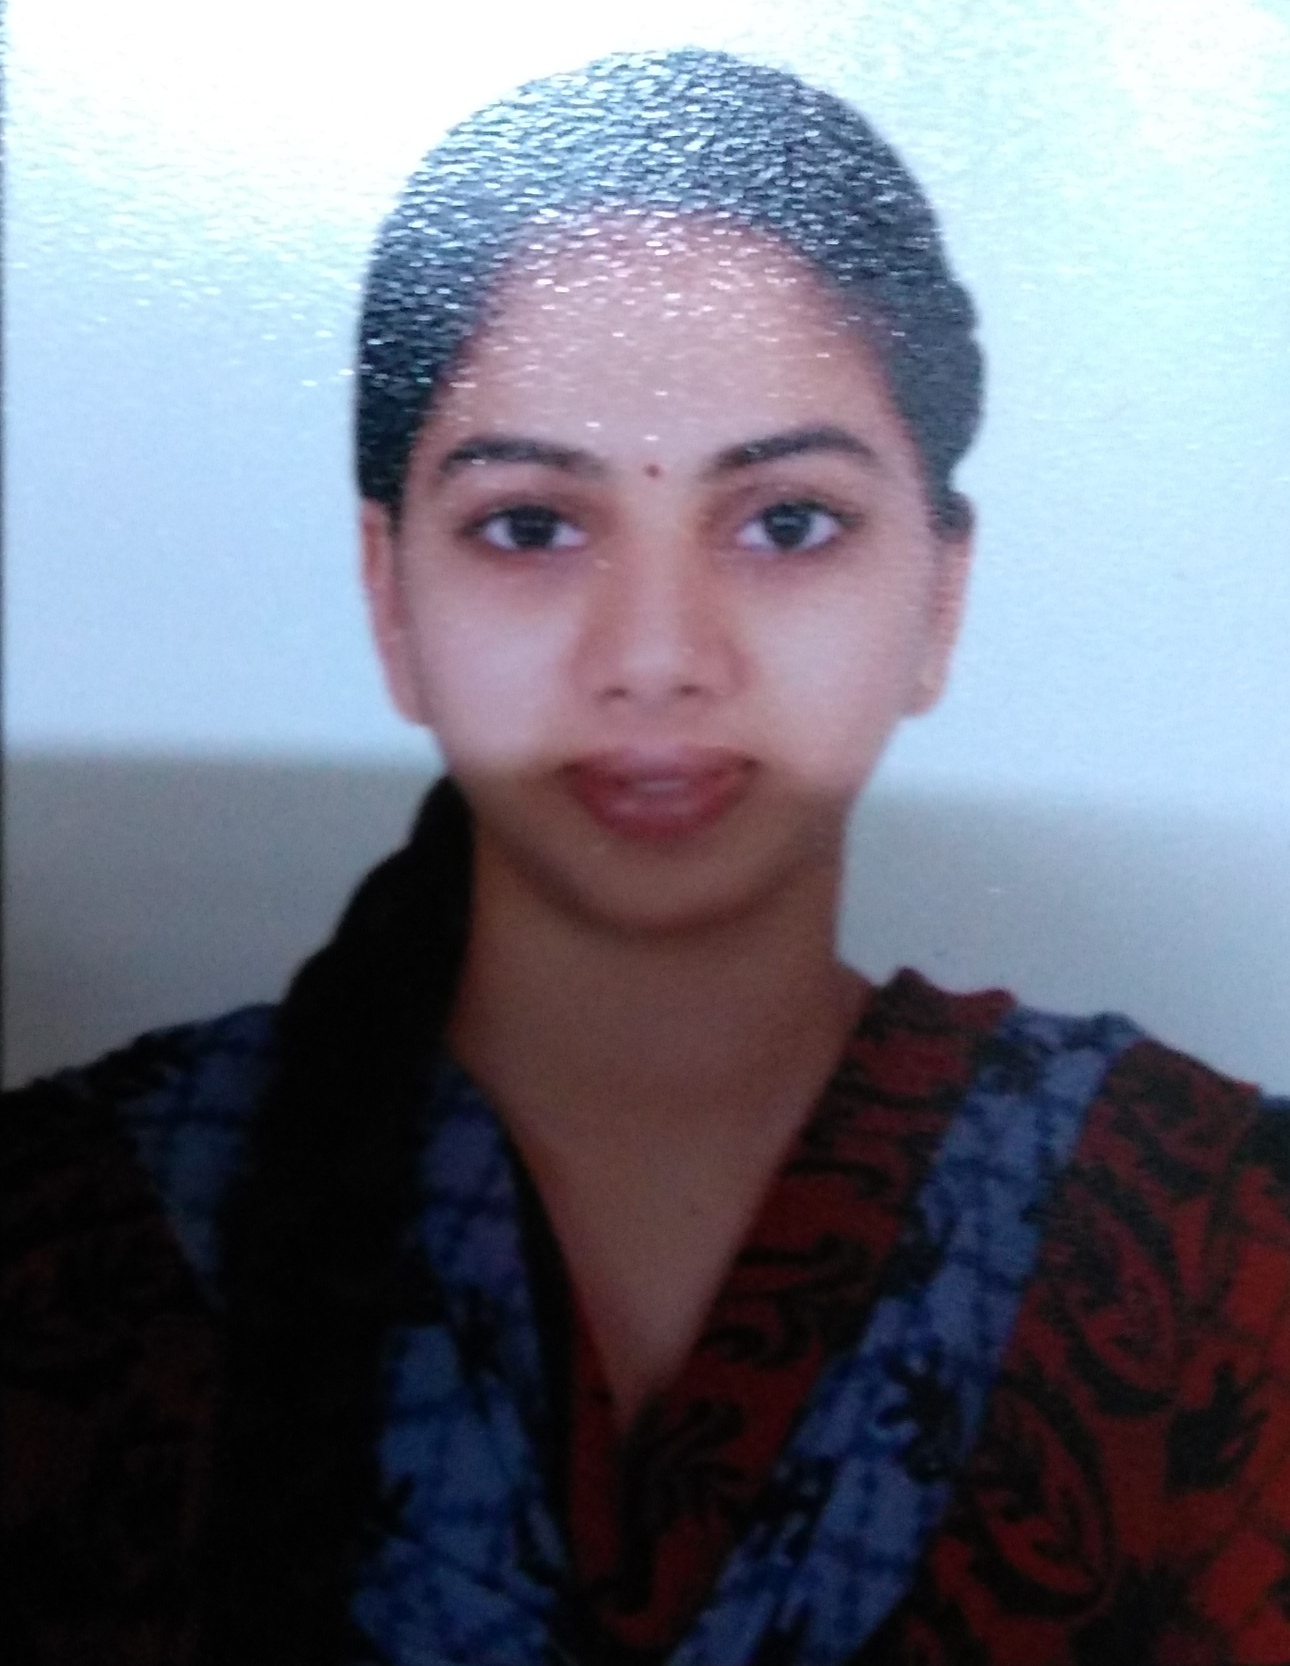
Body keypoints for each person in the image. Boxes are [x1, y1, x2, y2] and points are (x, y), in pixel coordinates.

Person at [3, 48, 1288, 1666]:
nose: (657, 655)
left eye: (786, 522)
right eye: (532, 525)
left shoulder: (1205, 1233)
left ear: (939, 595)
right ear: (389, 593)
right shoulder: (64, 1232)